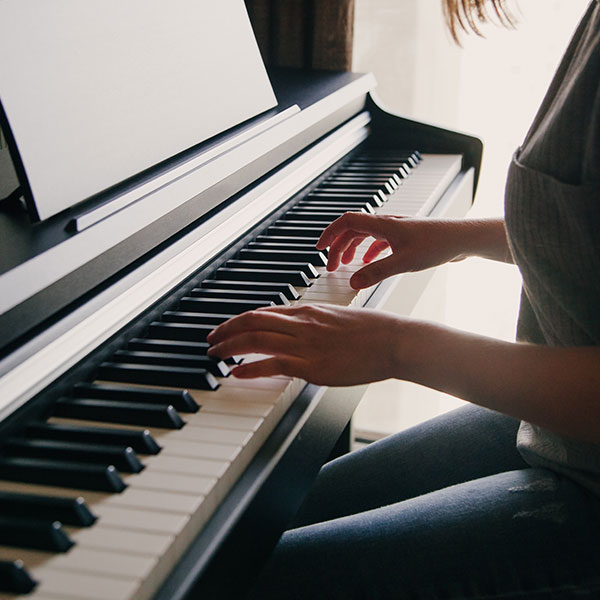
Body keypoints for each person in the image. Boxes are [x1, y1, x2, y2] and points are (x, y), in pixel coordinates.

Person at [206, 0, 600, 597]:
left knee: (229, 582)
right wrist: (458, 237)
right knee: (247, 525)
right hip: (560, 428)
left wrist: (395, 346)